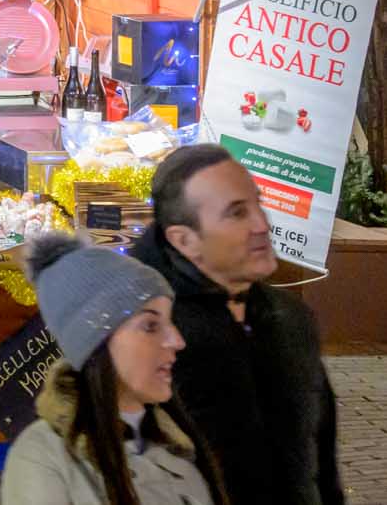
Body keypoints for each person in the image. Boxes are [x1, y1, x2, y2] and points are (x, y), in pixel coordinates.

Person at [131, 146, 340, 505]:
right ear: (185, 240)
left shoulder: (289, 317)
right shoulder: (144, 334)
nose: (262, 225)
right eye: (237, 213)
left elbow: (322, 458)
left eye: (257, 204)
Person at [0, 232, 222, 505]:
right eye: (151, 325)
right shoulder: (43, 457)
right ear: (97, 342)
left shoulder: (182, 454)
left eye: (170, 322)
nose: (177, 340)